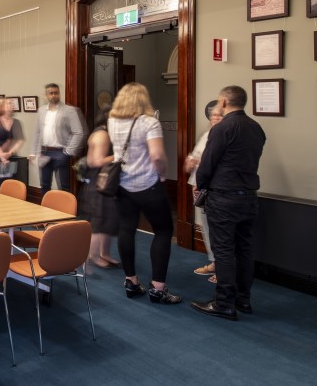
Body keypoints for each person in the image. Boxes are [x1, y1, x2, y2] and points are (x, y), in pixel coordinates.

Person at [191, 85, 267, 321]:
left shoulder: (223, 127)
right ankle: (243, 299)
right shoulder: (256, 128)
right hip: (249, 196)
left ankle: (223, 303)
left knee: (223, 251)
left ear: (223, 101)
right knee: (244, 250)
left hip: (224, 197)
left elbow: (207, 163)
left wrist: (200, 185)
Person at [108, 83, 180, 304]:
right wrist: (163, 173)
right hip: (148, 184)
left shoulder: (112, 121)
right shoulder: (149, 122)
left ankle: (131, 281)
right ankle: (158, 288)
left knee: (126, 230)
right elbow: (157, 155)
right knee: (163, 231)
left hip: (123, 184)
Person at [186, 101, 224, 283]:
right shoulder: (207, 135)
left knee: (219, 231)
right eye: (213, 115)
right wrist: (191, 162)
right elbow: (193, 158)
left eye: (219, 115)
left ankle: (224, 269)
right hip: (199, 190)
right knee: (206, 229)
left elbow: (216, 165)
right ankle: (214, 262)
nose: (215, 118)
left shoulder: (225, 136)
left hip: (214, 189)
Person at [31, 83, 85, 197]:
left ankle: (65, 212)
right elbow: (36, 132)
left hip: (60, 152)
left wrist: (68, 151)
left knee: (63, 186)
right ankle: (44, 210)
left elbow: (78, 132)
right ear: (46, 95)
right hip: (44, 152)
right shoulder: (41, 111)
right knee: (44, 185)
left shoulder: (69, 110)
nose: (54, 95)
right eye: (51, 93)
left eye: (56, 93)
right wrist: (33, 152)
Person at [80, 116, 120, 269]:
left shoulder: (105, 133)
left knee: (109, 220)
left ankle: (105, 253)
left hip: (105, 182)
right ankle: (93, 255)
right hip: (99, 182)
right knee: (100, 220)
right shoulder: (101, 135)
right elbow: (95, 161)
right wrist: (118, 156)